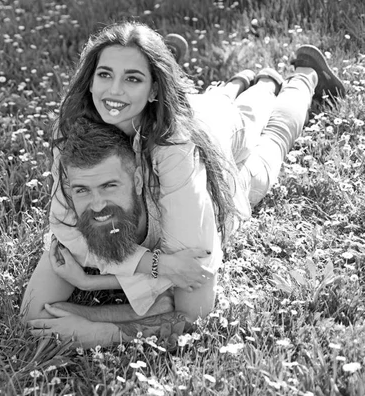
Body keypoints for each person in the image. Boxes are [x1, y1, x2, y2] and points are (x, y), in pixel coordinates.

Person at [21, 21, 346, 347]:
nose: (114, 90)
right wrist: (143, 270)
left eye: (132, 78)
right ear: (90, 81)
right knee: (32, 315)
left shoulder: (176, 147)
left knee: (259, 131)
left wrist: (102, 331)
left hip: (215, 135)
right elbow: (66, 230)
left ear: (153, 90)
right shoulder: (72, 131)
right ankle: (237, 81)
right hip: (179, 111)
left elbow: (194, 311)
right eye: (105, 75)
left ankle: (300, 79)